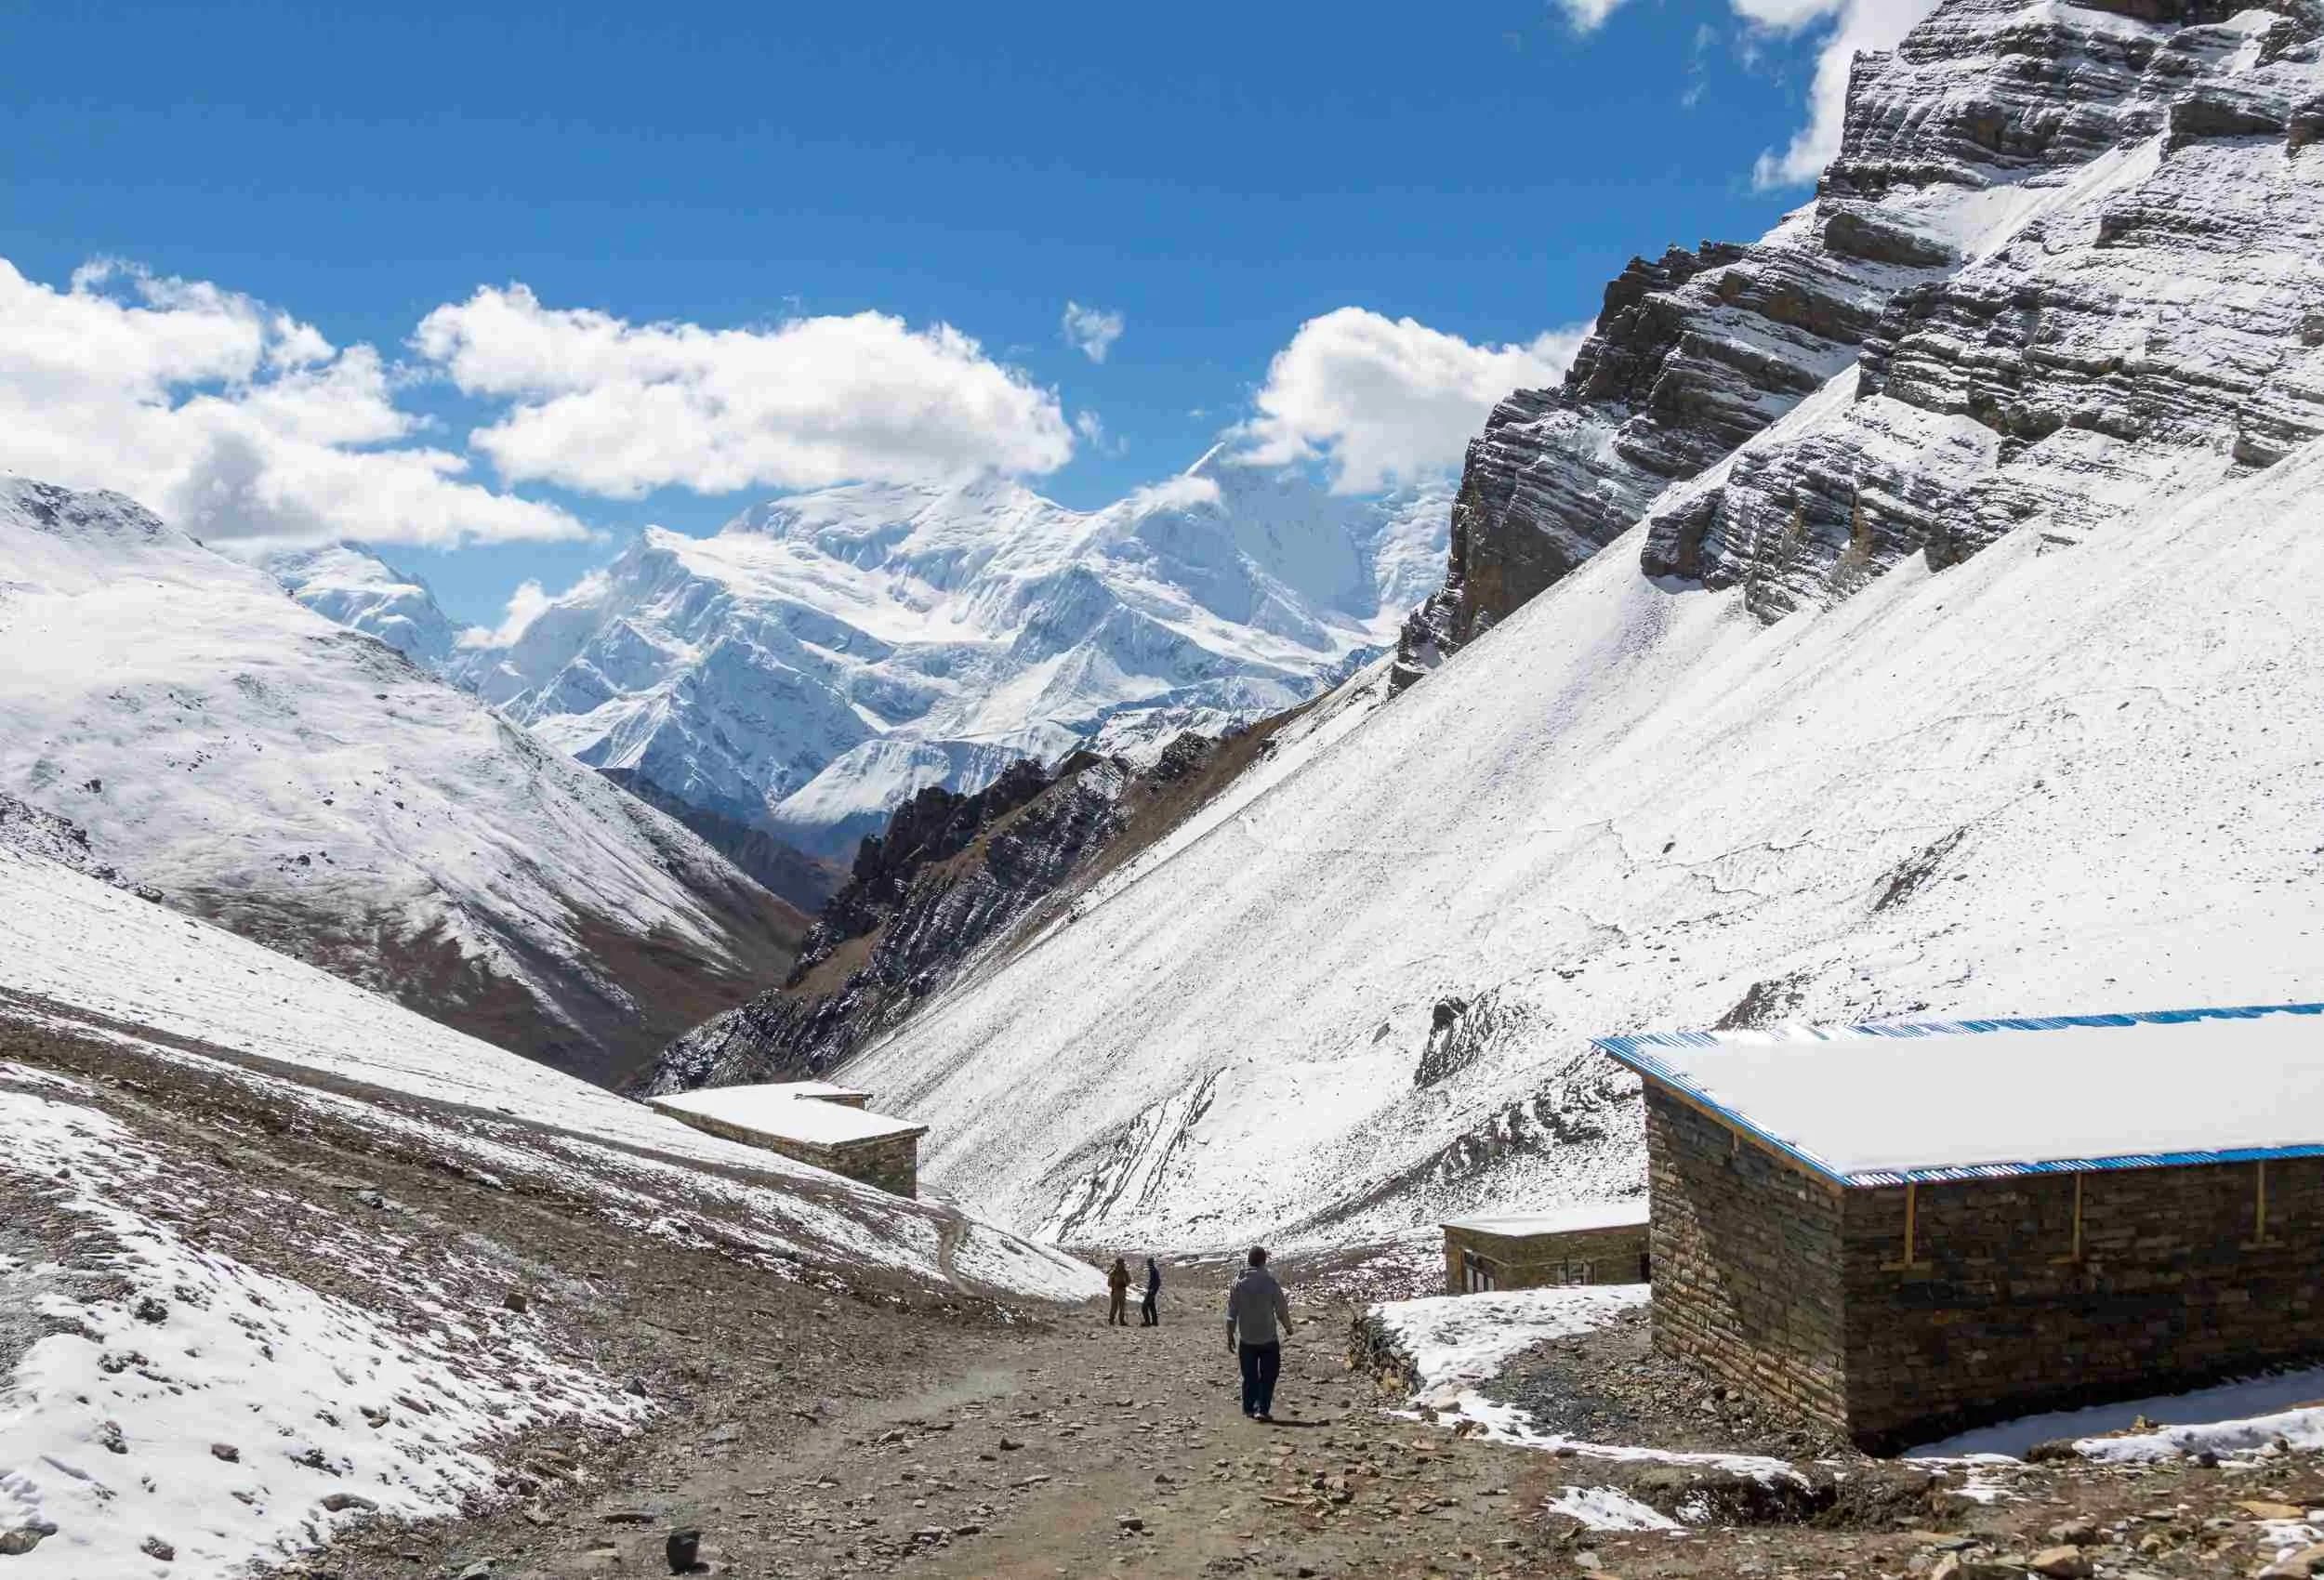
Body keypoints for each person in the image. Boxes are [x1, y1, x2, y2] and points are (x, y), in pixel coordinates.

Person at [1225, 1245, 1292, 1420]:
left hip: (1247, 1338)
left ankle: (1249, 1408)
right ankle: (1262, 1409)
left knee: (1249, 1376)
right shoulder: (1270, 1282)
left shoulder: (1238, 1282)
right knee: (1269, 1375)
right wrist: (1288, 1327)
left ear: (1249, 1260)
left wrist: (1230, 1334)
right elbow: (1281, 1309)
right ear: (1264, 1261)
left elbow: (1232, 1311)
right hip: (1268, 1337)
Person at [1105, 1256, 1131, 1325]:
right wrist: (1115, 1285)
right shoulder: (1113, 1273)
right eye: (1120, 1263)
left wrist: (1125, 1284)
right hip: (1115, 1291)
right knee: (1114, 1307)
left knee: (1122, 1307)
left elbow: (1129, 1280)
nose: (1121, 1265)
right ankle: (1111, 1320)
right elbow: (1109, 1283)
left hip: (1122, 1291)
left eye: (1122, 1263)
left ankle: (1122, 1320)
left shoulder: (1125, 1272)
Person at [1141, 1256, 1162, 1326]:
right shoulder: (1153, 1270)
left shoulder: (1153, 1270)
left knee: (1144, 1306)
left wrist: (1152, 1289)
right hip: (1152, 1290)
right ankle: (1155, 1322)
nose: (1148, 1264)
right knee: (1151, 1306)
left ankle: (1147, 1322)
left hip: (1152, 1291)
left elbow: (1157, 1282)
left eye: (1149, 1263)